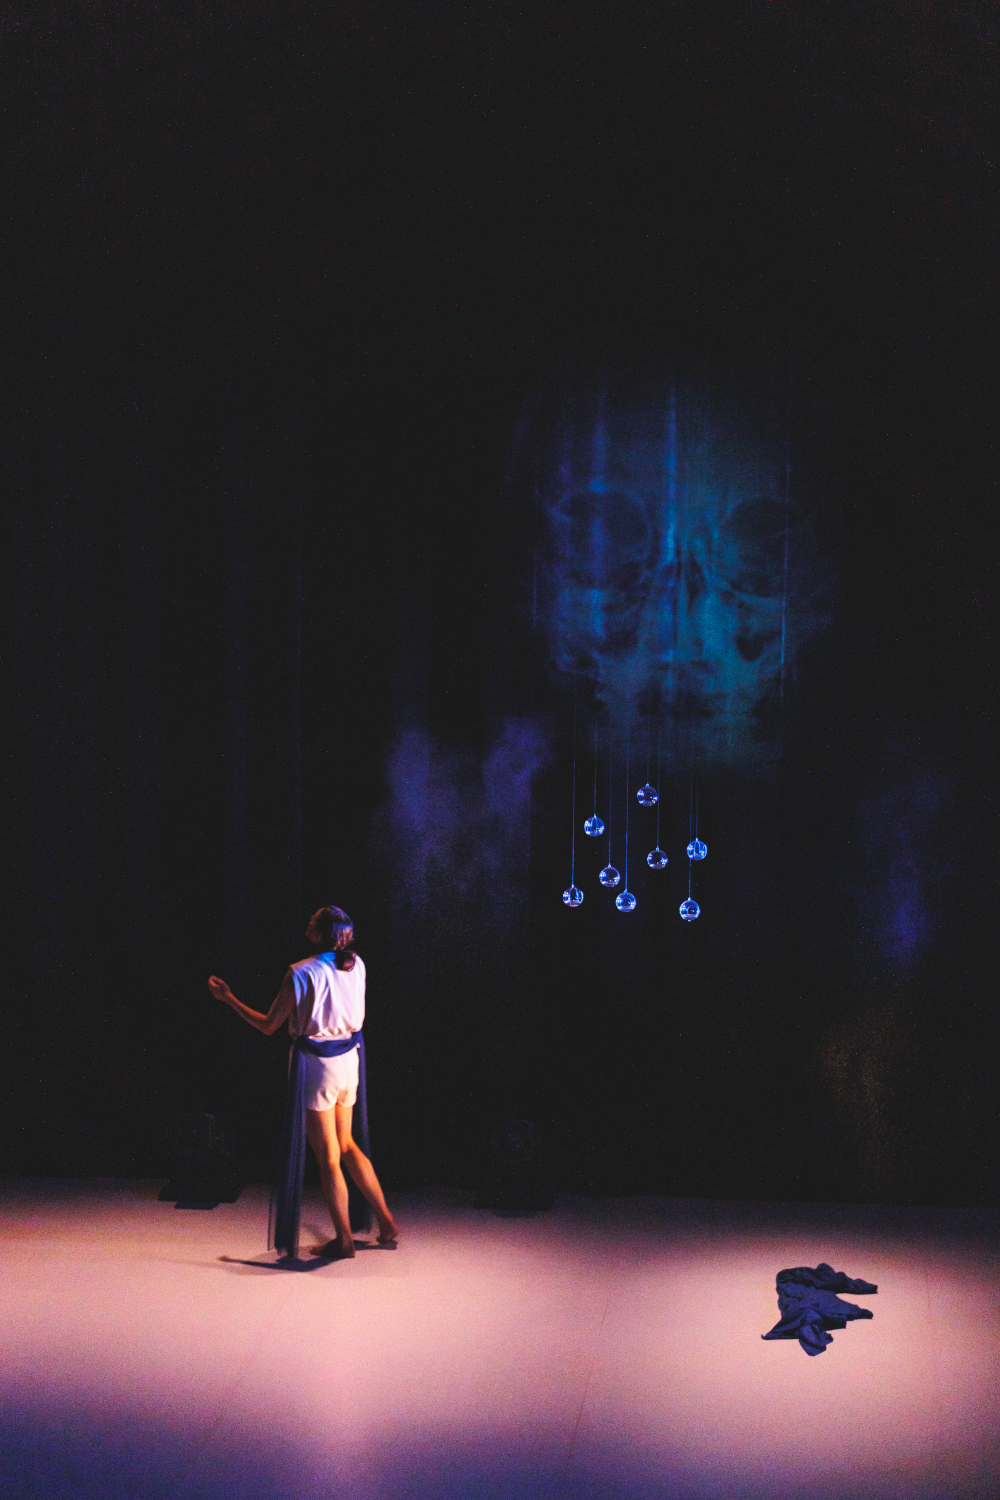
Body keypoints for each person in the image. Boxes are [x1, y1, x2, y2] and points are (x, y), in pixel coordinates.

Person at [208, 905, 398, 1258]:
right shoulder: (357, 964)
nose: (307, 920)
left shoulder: (300, 972)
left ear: (319, 933)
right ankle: (386, 1221)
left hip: (319, 1066)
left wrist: (228, 999)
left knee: (328, 1155)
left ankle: (343, 1239)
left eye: (313, 919)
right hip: (349, 1060)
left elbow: (268, 1025)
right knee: (347, 1144)